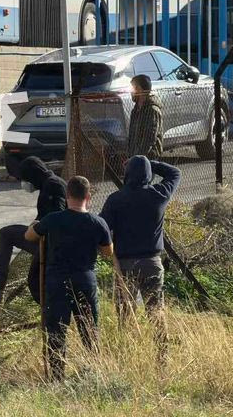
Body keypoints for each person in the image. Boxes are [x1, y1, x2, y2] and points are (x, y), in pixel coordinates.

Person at [25, 176, 114, 380]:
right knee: (89, 329)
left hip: (57, 281)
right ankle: (93, 374)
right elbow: (108, 252)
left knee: (56, 331)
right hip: (85, 280)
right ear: (88, 197)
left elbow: (30, 236)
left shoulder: (53, 219)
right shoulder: (97, 222)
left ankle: (57, 377)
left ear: (67, 196)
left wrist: (35, 225)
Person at [100, 156, 180, 352]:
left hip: (124, 266)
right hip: (152, 264)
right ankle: (163, 356)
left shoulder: (116, 200)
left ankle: (127, 355)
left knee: (125, 315)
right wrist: (149, 163)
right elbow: (175, 173)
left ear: (127, 175)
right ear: (149, 175)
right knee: (156, 313)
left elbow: (102, 228)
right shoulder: (159, 195)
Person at [0, 156, 67, 304]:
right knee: (7, 233)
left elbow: (56, 216)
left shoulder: (52, 186)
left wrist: (36, 227)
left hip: (51, 242)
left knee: (6, 234)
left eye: (26, 179)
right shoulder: (49, 183)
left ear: (33, 175)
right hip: (45, 236)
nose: (26, 183)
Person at [126, 75, 163, 160]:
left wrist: (139, 156)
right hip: (134, 155)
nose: (131, 91)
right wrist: (130, 154)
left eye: (133, 88)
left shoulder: (152, 110)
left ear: (140, 89)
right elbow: (132, 135)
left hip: (148, 156)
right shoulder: (135, 110)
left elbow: (150, 137)